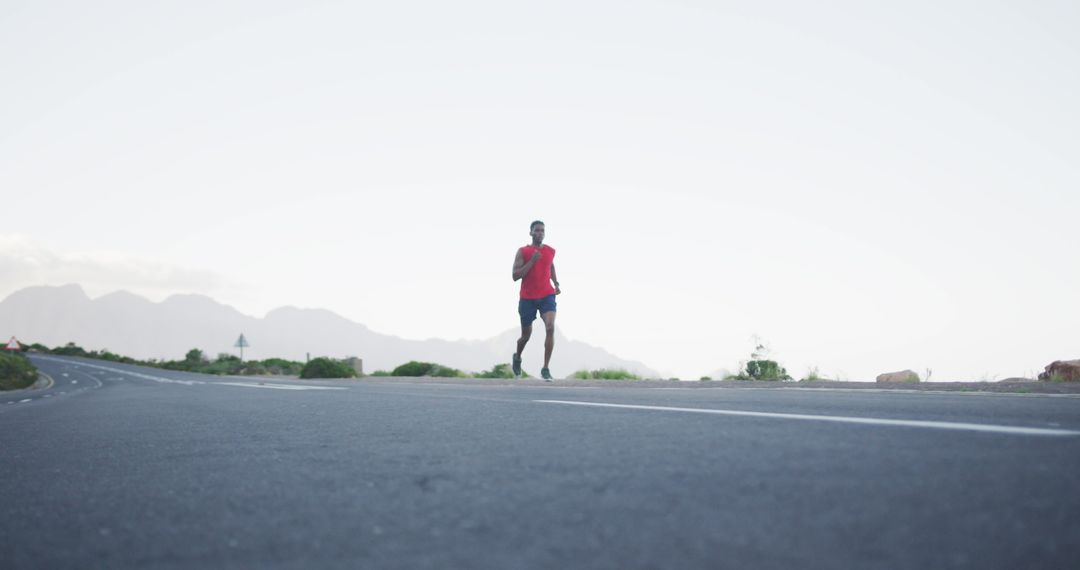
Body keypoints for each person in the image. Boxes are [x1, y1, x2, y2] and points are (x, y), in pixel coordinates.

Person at [511, 220, 561, 381]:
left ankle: (545, 368)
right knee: (525, 336)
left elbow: (550, 266)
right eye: (537, 230)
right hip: (527, 298)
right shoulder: (523, 252)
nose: (540, 233)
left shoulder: (550, 251)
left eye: (542, 231)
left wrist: (556, 283)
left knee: (550, 326)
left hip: (547, 295)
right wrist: (532, 261)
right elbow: (515, 276)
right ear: (531, 233)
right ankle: (517, 357)